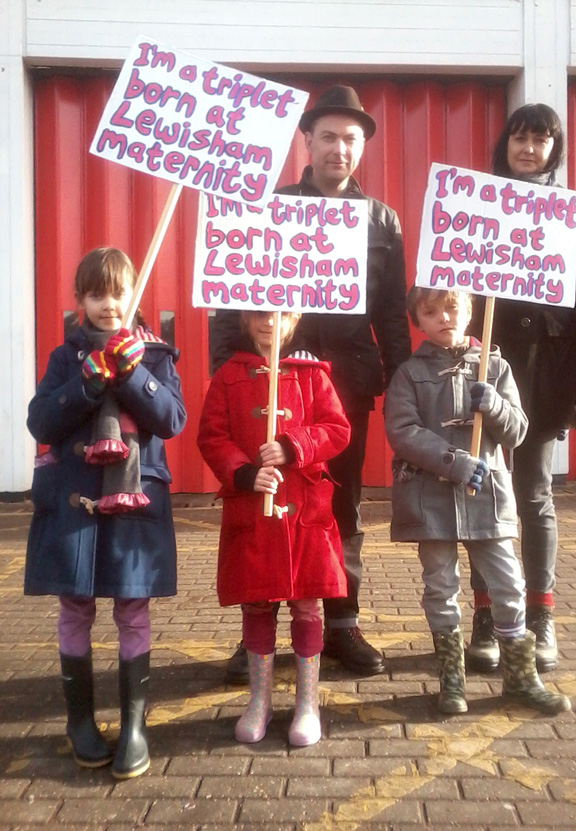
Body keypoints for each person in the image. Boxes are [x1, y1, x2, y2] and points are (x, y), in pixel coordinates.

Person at [211, 85, 412, 680]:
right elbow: (231, 301)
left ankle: (343, 625)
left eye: (351, 139)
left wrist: (400, 383)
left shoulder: (383, 221)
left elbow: (392, 315)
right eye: (329, 136)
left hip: (343, 387)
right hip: (269, 385)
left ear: (362, 148)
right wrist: (226, 370)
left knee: (338, 506)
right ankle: (260, 630)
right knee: (264, 501)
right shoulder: (269, 208)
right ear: (307, 140)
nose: (340, 148)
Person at [24, 247, 187, 778]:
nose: (108, 304)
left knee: (132, 611)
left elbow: (171, 420)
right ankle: (80, 723)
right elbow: (41, 423)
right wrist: (88, 382)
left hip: (134, 506)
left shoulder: (157, 355)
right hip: (75, 508)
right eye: (96, 293)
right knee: (75, 609)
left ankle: (134, 727)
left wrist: (135, 374)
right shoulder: (63, 357)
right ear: (80, 300)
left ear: (134, 295)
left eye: (118, 292)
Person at [466, 103, 576, 674]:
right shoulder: (474, 206)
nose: (528, 149)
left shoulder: (572, 216)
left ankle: (539, 616)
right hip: (482, 373)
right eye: (520, 138)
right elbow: (449, 288)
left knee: (531, 497)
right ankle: (484, 615)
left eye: (541, 141)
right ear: (504, 143)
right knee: (479, 497)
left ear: (555, 150)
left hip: (545, 381)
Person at [384, 286, 570, 715]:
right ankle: (452, 678)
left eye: (453, 308)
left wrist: (498, 407)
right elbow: (402, 431)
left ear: (470, 311)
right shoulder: (409, 375)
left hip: (487, 499)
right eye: (431, 312)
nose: (444, 318)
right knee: (440, 586)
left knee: (509, 584)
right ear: (419, 321)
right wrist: (453, 461)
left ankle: (521, 677)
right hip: (430, 500)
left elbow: (518, 431)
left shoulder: (497, 366)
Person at [197, 311, 351, 746]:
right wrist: (243, 473)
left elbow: (337, 429)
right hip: (254, 511)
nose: (269, 321)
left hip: (303, 511)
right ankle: (259, 700)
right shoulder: (228, 375)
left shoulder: (311, 374)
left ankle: (307, 703)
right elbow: (212, 436)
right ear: (245, 318)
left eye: (279, 313)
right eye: (259, 313)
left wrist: (292, 445)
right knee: (257, 606)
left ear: (295, 317)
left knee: (306, 605)